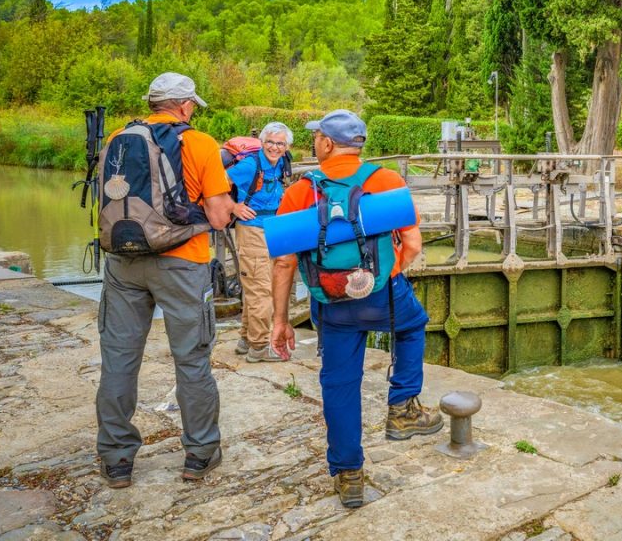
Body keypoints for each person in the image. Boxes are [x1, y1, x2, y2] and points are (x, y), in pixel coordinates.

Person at [270, 109, 443, 509]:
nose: (313, 142)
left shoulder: (301, 190)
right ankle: (403, 406)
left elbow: (283, 262)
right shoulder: (386, 180)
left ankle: (349, 476)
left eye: (316, 137)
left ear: (328, 144)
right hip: (383, 295)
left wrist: (280, 321)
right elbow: (413, 244)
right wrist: (386, 275)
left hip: (331, 304)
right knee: (413, 325)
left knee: (339, 383)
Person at [96, 72, 255, 488]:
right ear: (185, 106)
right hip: (182, 264)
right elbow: (220, 217)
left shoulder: (116, 137)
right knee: (192, 360)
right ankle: (200, 453)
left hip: (122, 262)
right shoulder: (199, 143)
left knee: (118, 360)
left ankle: (117, 461)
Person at [227, 121, 293, 363]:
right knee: (261, 290)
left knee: (259, 286)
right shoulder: (249, 165)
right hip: (252, 230)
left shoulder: (283, 162)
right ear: (262, 142)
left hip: (273, 228)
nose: (274, 148)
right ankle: (259, 346)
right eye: (270, 142)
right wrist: (233, 207)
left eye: (280, 143)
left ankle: (246, 339)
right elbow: (216, 184)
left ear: (287, 147)